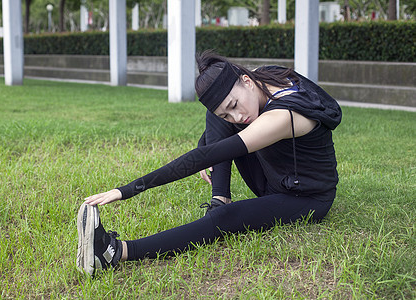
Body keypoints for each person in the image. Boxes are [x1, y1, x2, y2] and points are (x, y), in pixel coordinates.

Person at [76, 50, 342, 276]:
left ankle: (114, 252)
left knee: (225, 219)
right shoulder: (259, 77)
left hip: (305, 197)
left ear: (247, 81)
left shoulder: (284, 115)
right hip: (274, 175)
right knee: (218, 117)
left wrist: (127, 190)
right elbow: (224, 118)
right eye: (229, 111)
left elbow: (202, 158)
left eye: (235, 104)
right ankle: (220, 198)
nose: (238, 116)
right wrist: (209, 139)